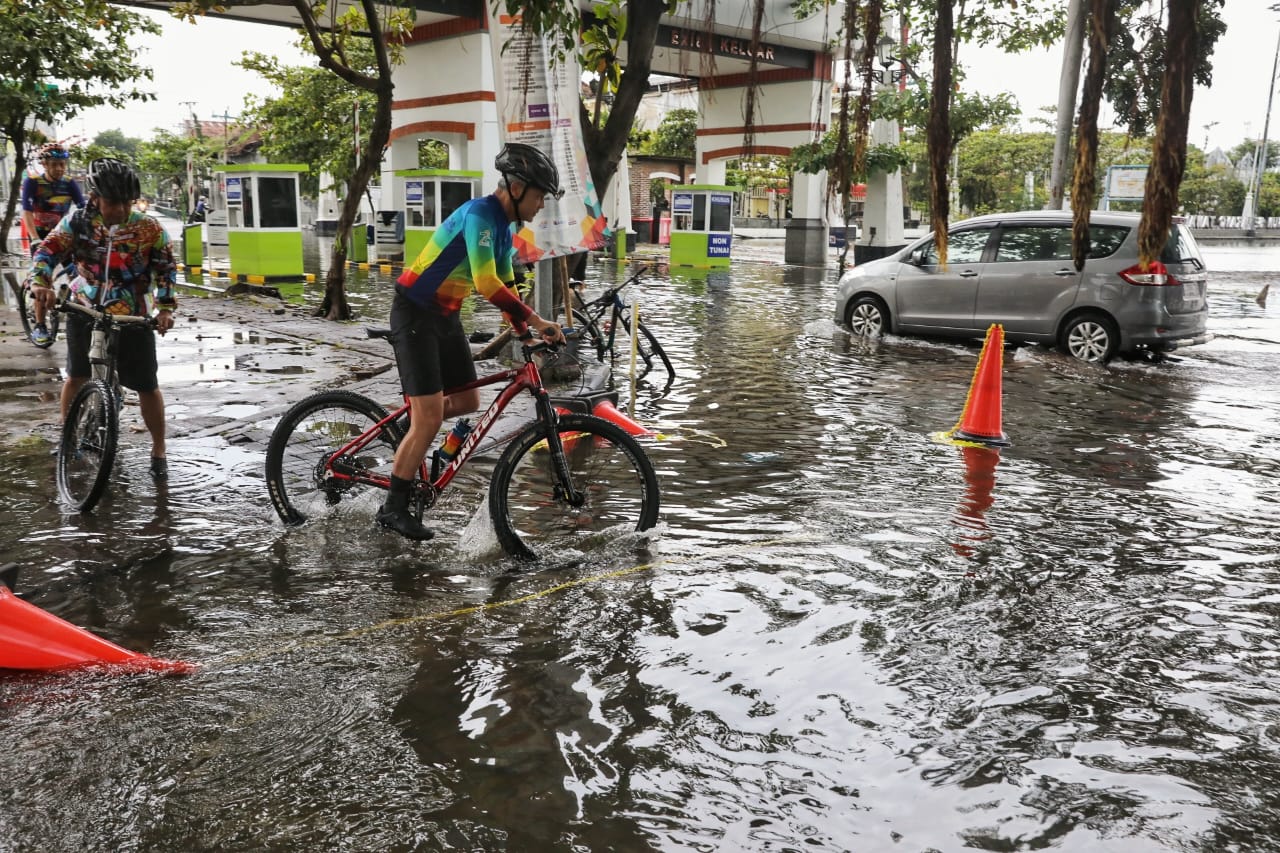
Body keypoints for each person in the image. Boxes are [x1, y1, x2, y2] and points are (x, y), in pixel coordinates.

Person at [380, 142, 567, 540]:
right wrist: (536, 319)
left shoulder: (504, 228)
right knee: (429, 418)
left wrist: (524, 333)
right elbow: (484, 284)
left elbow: (505, 285)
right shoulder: (481, 215)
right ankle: (393, 507)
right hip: (414, 312)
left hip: (445, 315)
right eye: (538, 197)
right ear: (516, 189)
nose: (539, 207)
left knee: (467, 401)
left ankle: (415, 429)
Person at [30, 158, 178, 481]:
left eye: (127, 202)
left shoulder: (149, 228)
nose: (120, 210)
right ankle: (68, 435)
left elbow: (166, 269)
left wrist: (165, 308)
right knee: (76, 375)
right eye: (113, 203)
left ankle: (159, 449)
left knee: (147, 385)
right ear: (95, 197)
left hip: (132, 314)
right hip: (84, 306)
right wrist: (41, 282)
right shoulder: (77, 223)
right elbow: (47, 251)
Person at [20, 142, 86, 345]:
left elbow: (84, 210)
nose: (59, 169)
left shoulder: (69, 183)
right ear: (45, 164)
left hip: (63, 235)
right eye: (55, 164)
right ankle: (40, 325)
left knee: (81, 272)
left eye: (62, 164)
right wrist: (35, 238)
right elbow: (27, 212)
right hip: (40, 235)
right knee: (43, 278)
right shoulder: (33, 183)